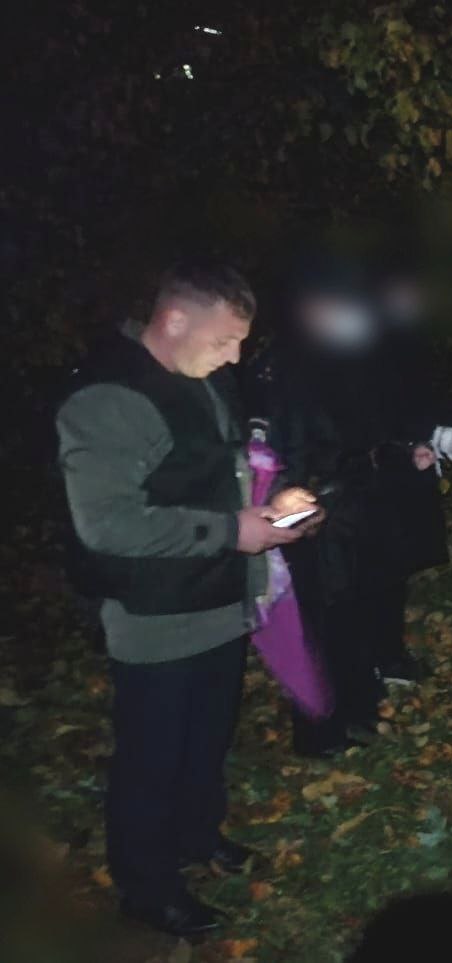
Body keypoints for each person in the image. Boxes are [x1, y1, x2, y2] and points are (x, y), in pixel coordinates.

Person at [56, 261, 322, 940]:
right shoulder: (109, 396)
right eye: (226, 339)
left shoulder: (204, 377)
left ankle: (199, 835)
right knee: (152, 755)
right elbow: (106, 524)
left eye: (242, 342)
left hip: (219, 601)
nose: (235, 356)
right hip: (155, 616)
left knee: (206, 736)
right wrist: (234, 531)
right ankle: (147, 886)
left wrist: (276, 504)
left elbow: (225, 470)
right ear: (174, 320)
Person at [252, 253, 452, 756]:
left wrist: (420, 442)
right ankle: (320, 732)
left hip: (353, 497)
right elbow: (282, 442)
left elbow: (381, 413)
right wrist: (297, 498)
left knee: (354, 607)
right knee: (321, 618)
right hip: (314, 504)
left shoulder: (347, 354)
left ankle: (357, 707)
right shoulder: (287, 362)